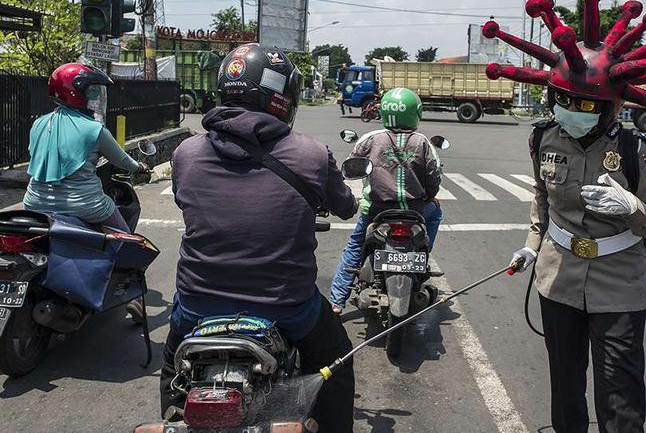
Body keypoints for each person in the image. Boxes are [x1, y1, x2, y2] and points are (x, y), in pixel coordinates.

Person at [484, 0, 646, 433]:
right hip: (556, 282)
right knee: (565, 391)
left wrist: (633, 209)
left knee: (620, 400)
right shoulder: (543, 140)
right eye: (563, 101)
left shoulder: (637, 152)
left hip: (618, 288)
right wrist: (531, 245)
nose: (571, 112)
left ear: (612, 104)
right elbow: (541, 196)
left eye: (585, 105)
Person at [161, 43, 359, 433]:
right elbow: (347, 207)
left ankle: (171, 416)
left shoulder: (185, 153)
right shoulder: (311, 154)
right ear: (281, 97)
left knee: (171, 364)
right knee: (338, 360)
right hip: (287, 307)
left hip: (198, 305)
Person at [329, 88, 443, 314]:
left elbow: (351, 166)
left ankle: (336, 301)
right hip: (415, 212)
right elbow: (434, 175)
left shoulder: (370, 139)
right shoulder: (422, 142)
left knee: (355, 247)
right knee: (436, 213)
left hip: (376, 210)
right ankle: (423, 250)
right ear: (415, 113)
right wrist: (429, 196)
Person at [23, 62, 149, 231]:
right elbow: (122, 160)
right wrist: (139, 167)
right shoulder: (95, 130)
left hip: (34, 203)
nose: (96, 97)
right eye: (92, 91)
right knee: (126, 239)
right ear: (74, 92)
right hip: (85, 205)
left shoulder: (38, 123)